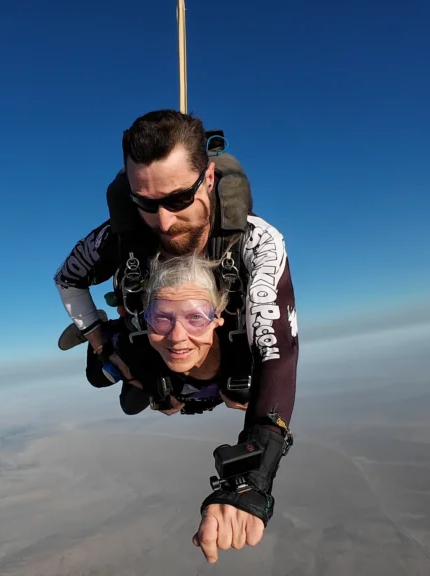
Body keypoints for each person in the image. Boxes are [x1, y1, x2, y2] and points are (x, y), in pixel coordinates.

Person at [53, 109, 300, 563]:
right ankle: (134, 368)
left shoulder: (256, 243)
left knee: (243, 385)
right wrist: (101, 342)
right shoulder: (120, 237)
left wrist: (250, 477)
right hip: (154, 340)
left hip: (226, 351)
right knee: (113, 375)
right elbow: (68, 278)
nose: (164, 222)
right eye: (145, 203)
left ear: (208, 178)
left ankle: (168, 373)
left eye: (179, 198)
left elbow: (277, 352)